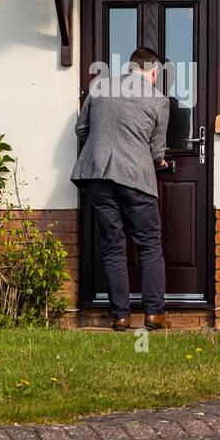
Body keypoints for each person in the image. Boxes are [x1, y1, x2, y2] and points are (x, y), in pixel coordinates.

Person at [72, 47, 170, 331]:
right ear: (153, 71)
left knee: (113, 246)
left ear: (130, 67)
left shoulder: (101, 86)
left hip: (99, 175)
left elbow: (81, 130)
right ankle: (153, 315)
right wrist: (160, 160)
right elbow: (156, 151)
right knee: (149, 244)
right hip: (135, 177)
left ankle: (121, 317)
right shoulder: (158, 99)